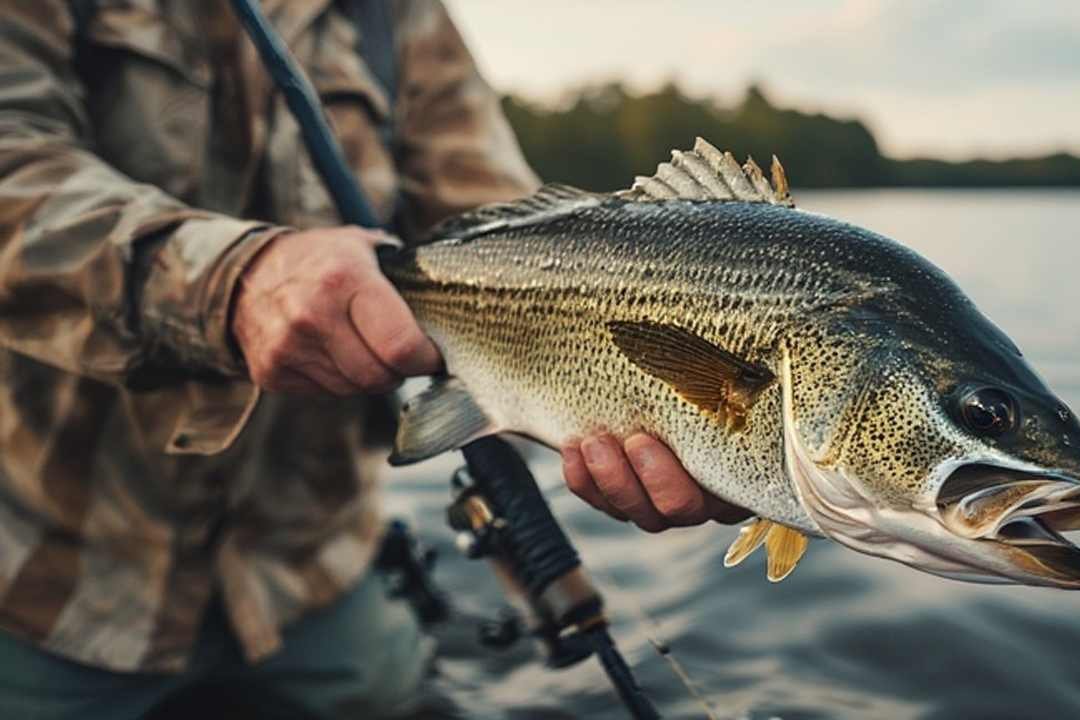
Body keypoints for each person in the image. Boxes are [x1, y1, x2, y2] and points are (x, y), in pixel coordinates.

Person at [0, 1, 743, 718]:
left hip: (311, 575)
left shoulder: (400, 14)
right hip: (53, 580)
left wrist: (668, 412)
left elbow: (506, 219)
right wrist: (230, 280)